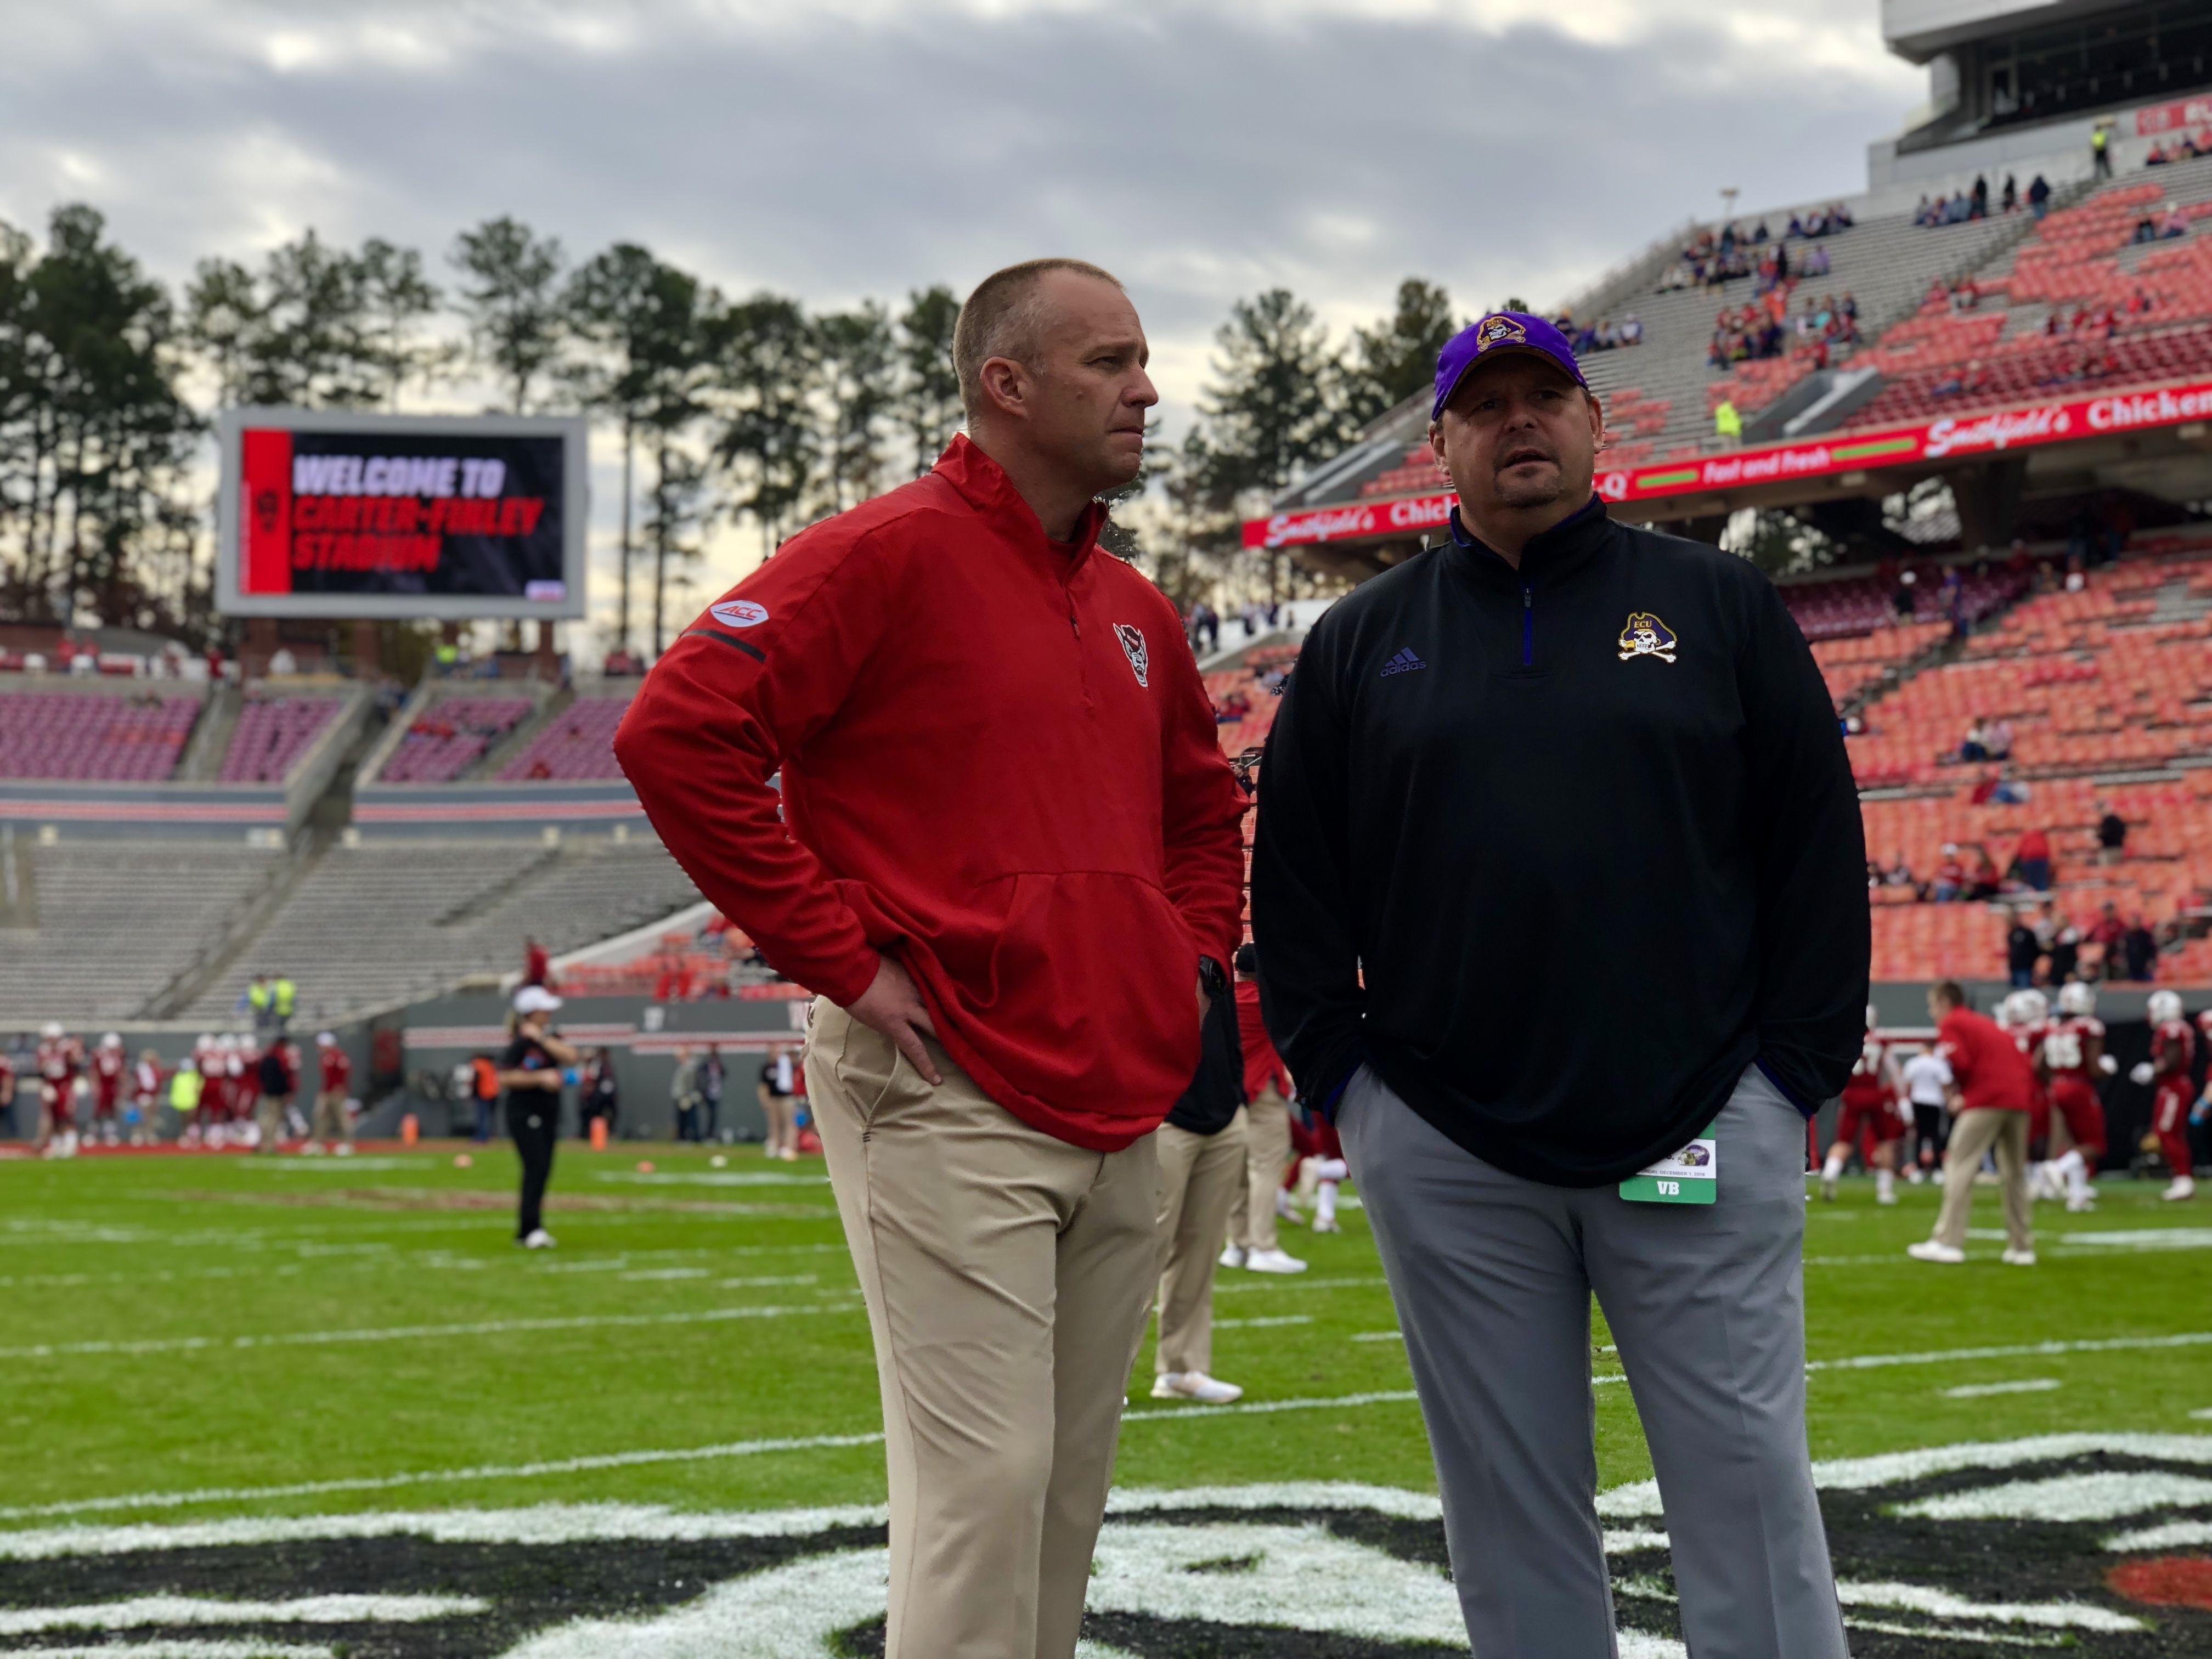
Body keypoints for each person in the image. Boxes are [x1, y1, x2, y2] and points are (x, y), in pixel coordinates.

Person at [614, 256, 1248, 1659]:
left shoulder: (1140, 612)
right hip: (945, 1076)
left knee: (1068, 1493)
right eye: (1110, 363)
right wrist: (845, 958)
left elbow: (1206, 814)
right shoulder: (883, 552)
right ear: (1002, 385)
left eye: (1144, 359)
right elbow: (677, 735)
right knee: (987, 1486)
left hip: (1116, 1087)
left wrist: (1185, 962)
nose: (1148, 391)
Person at [1252, 310, 1867, 1658]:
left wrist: (1787, 1083)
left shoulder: (1720, 606)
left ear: (1599, 425)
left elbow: (1818, 849)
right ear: (1441, 447)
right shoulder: (1361, 640)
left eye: (1546, 396)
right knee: (1509, 1514)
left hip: (1700, 1119)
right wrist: (1355, 1096)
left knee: (1750, 1499)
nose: (1518, 421)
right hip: (1450, 1143)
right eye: (1487, 405)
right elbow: (1293, 890)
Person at [1150, 960, 1250, 1404]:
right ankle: (1098, 1380)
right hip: (1162, 1117)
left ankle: (1182, 1369)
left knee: (1200, 1253)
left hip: (1225, 1114)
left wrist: (1238, 1097)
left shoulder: (1216, 949)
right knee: (1135, 1255)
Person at [1910, 982, 2037, 1265]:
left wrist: (1961, 1096)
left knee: (1959, 1164)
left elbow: (1962, 1063)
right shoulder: (1986, 1023)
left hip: (1986, 1097)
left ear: (1944, 1002)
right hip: (2019, 1098)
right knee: (2015, 1173)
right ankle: (2021, 1247)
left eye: (1932, 1006)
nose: (1932, 1013)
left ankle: (1948, 1242)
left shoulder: (1953, 1022)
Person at [1221, 943, 1306, 1273]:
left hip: (1231, 1091)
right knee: (1266, 1169)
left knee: (1239, 1172)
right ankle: (1262, 1246)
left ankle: (1237, 1244)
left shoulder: (1225, 998)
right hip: (1263, 1090)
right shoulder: (1266, 1003)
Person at [503, 986, 577, 1247]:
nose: (549, 1013)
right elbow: (504, 1076)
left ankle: (530, 1229)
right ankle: (530, 1228)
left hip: (548, 1113)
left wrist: (543, 1039)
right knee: (535, 1167)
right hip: (525, 1113)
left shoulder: (548, 1038)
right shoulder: (520, 1043)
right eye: (544, 1009)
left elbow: (571, 1056)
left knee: (543, 1168)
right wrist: (539, 1078)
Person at [2038, 981, 2109, 1212]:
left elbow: (2037, 1064)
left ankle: (2077, 1196)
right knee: (2095, 1145)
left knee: (2075, 1142)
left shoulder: (2053, 1027)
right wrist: (2107, 1068)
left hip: (2057, 1086)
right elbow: (2094, 1067)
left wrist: (2056, 1080)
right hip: (2079, 1086)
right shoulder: (2089, 1026)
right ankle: (2057, 1169)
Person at [1824, 1007, 1906, 1204]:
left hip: (1852, 1094)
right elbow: (1894, 1072)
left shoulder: (1847, 1038)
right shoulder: (1880, 1040)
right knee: (1885, 1141)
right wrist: (1903, 1099)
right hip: (1874, 1094)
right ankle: (1885, 1191)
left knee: (1844, 1141)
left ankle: (1830, 1172)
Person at [2135, 989, 2196, 1201]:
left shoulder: (2171, 1028)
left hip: (2174, 1087)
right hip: (2172, 1086)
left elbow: (2172, 1061)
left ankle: (2183, 1180)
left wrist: (2152, 1070)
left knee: (2166, 1134)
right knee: (2171, 1134)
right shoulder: (2176, 1027)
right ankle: (2182, 1180)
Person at [1901, 1039, 1953, 1182]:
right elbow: (1946, 1084)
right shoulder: (1939, 1064)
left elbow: (1908, 1084)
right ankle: (1937, 1169)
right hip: (1935, 1101)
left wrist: (1906, 1102)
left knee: (1920, 1135)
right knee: (1935, 1134)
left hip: (1918, 1101)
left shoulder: (1914, 1063)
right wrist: (1949, 1102)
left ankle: (1919, 1169)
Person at [34, 1022, 82, 1158]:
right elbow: (41, 1070)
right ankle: (57, 1146)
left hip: (65, 1086)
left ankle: (70, 1146)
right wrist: (45, 1086)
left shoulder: (67, 1048)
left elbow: (75, 1065)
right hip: (51, 1086)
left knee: (66, 1117)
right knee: (54, 1118)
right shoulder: (43, 1050)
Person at [310, 1032, 352, 1153]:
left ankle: (347, 1143)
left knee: (342, 1117)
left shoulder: (337, 1056)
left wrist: (340, 1086)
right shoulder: (327, 1056)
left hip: (336, 1092)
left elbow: (345, 1071)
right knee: (320, 1116)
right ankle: (318, 1143)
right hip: (327, 1091)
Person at [756, 1045, 798, 1160]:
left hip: (787, 1098)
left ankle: (789, 1147)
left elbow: (796, 1062)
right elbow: (763, 1086)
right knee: (774, 1124)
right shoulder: (767, 1067)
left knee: (789, 1123)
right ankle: (774, 1146)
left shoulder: (786, 1064)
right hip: (773, 1098)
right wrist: (764, 1099)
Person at [255, 1039, 295, 1153]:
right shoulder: (281, 1057)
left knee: (267, 1117)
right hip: (276, 1093)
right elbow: (285, 1076)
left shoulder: (267, 1056)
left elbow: (261, 1073)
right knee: (273, 1119)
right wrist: (287, 1091)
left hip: (268, 1092)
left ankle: (262, 1142)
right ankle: (268, 1145)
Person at [89, 1032, 126, 1147]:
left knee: (112, 1111)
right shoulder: (99, 1054)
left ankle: (110, 1134)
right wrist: (94, 1085)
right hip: (102, 1084)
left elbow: (121, 1072)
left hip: (113, 1085)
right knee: (98, 1110)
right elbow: (94, 1071)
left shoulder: (119, 1055)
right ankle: (92, 1133)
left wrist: (123, 1085)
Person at [579, 1047, 620, 1142]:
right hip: (596, 1097)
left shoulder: (608, 1066)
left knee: (611, 1115)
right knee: (593, 1116)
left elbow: (611, 1083)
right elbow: (591, 1079)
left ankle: (610, 1133)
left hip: (608, 1097)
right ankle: (588, 1134)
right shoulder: (595, 1065)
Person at [669, 1045, 703, 1142]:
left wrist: (687, 1096)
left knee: (690, 1118)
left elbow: (690, 1084)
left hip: (687, 1097)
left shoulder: (690, 1067)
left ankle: (692, 1138)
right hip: (681, 1096)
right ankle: (684, 1137)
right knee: (683, 1118)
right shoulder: (684, 1067)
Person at [700, 1045, 725, 1142]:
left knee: (714, 1115)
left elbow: (724, 1073)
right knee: (709, 1114)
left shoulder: (718, 1065)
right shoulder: (706, 1065)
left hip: (716, 1093)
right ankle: (707, 1135)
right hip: (708, 1094)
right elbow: (702, 1077)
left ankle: (711, 1135)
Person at [2016, 825, 2053, 891]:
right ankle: (2042, 894)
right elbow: (2047, 847)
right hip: (2041, 859)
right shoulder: (2040, 835)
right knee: (2041, 880)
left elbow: (2020, 849)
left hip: (2029, 860)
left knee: (2032, 881)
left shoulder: (2026, 835)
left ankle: (2035, 894)